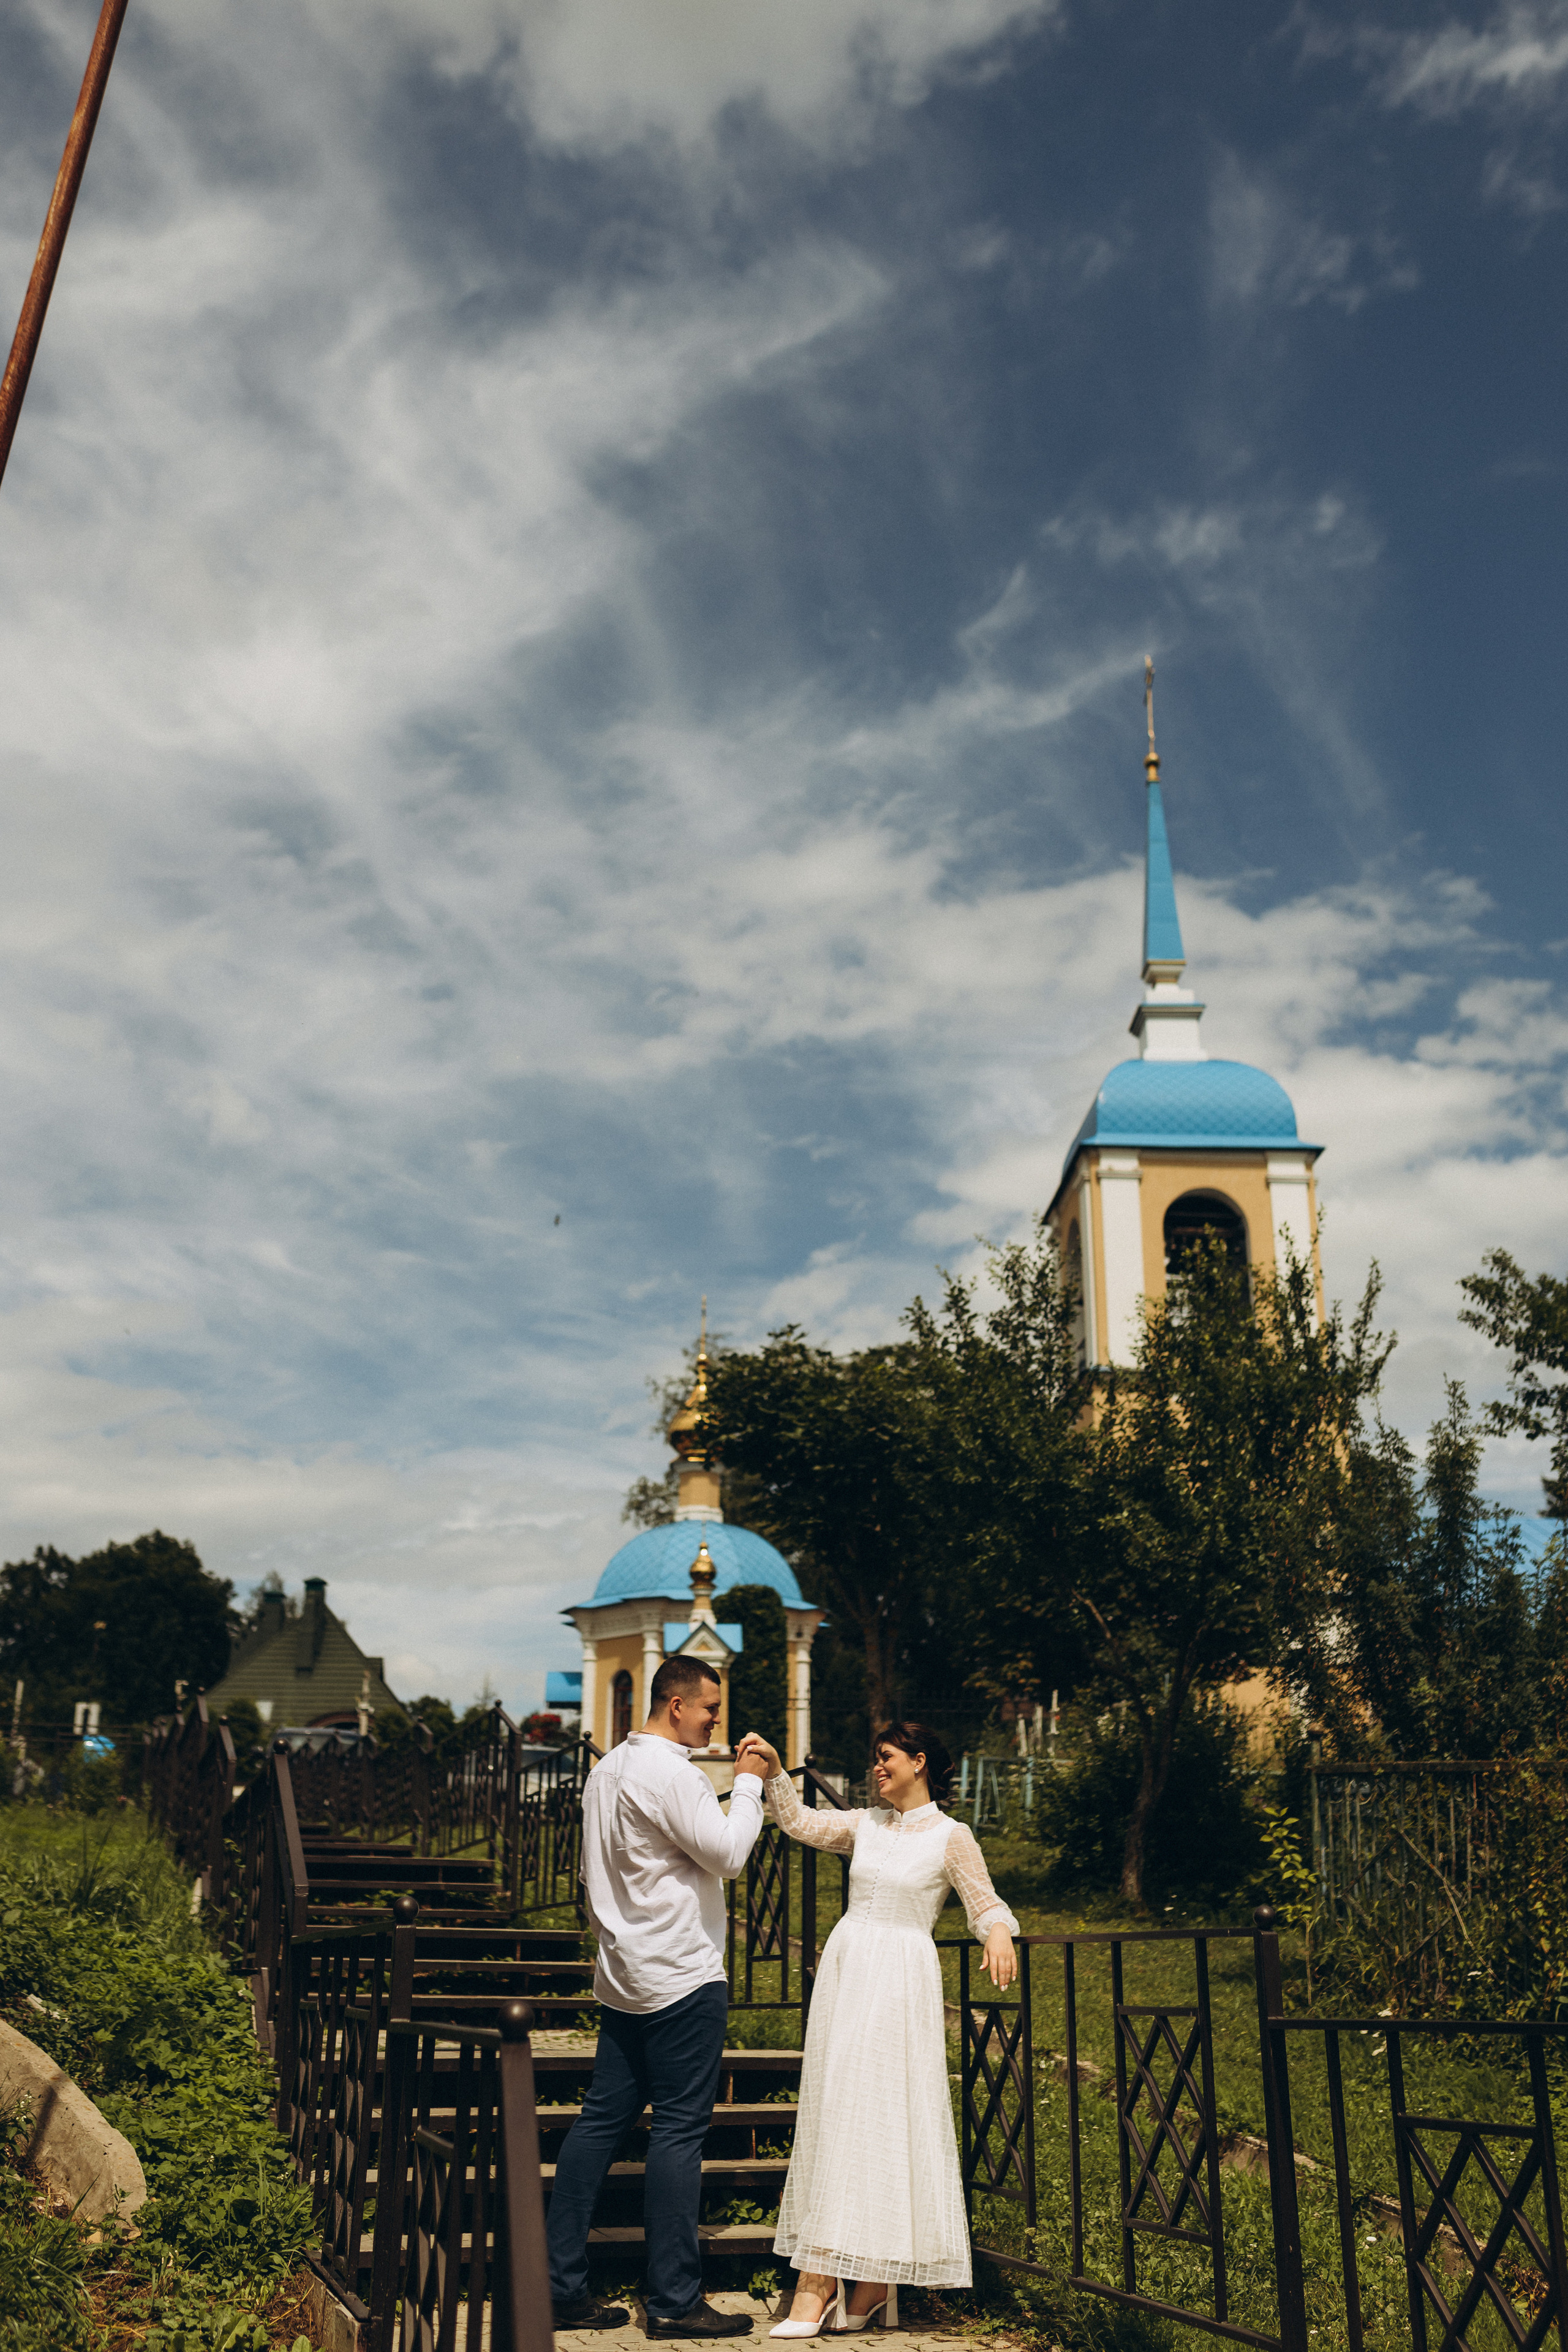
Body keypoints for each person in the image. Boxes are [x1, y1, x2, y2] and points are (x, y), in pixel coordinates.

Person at [734, 1723, 1019, 2337]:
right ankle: (823, 2279)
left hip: (900, 1983)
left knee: (887, 2120)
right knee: (838, 2113)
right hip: (847, 1975)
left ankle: (866, 2281)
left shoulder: (952, 1836)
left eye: (886, 1759)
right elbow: (800, 1824)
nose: (877, 1769)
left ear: (919, 1762)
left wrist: (998, 1931)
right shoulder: (865, 1823)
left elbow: (984, 1901)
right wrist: (777, 1771)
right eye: (874, 1760)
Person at [548, 1656, 771, 2337]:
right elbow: (728, 1855)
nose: (715, 1721)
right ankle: (674, 2302)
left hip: (624, 1973)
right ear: (676, 1705)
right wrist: (750, 1786)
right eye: (709, 1709)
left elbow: (591, 1874)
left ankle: (559, 2288)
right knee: (678, 2131)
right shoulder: (675, 1773)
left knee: (598, 2123)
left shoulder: (605, 1769)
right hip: (680, 1973)